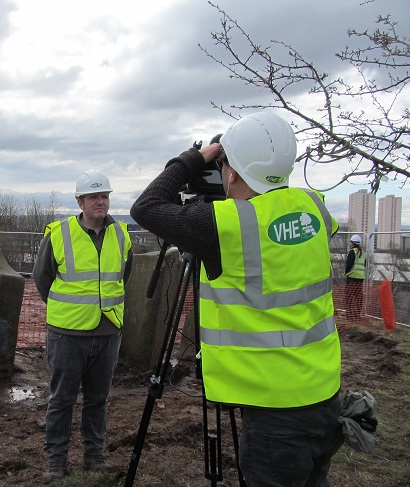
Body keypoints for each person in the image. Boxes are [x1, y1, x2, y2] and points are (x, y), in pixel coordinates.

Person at [130, 111, 343, 487]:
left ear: (231, 171)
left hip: (275, 411)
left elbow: (146, 206)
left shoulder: (223, 224)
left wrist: (196, 157)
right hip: (324, 396)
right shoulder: (315, 208)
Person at [32, 169, 133, 484]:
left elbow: (122, 276)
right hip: (67, 335)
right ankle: (55, 463)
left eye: (104, 196)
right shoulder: (59, 234)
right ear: (80, 202)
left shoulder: (122, 234)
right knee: (62, 399)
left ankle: (94, 457)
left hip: (108, 332)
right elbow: (42, 279)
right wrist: (69, 311)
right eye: (94, 197)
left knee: (98, 399)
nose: (100, 202)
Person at [345, 235, 366, 319]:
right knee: (358, 297)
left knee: (349, 297)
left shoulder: (352, 252)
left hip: (352, 278)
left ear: (352, 243)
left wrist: (346, 273)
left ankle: (349, 315)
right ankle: (357, 314)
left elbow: (349, 264)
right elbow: (365, 265)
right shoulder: (363, 253)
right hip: (360, 279)